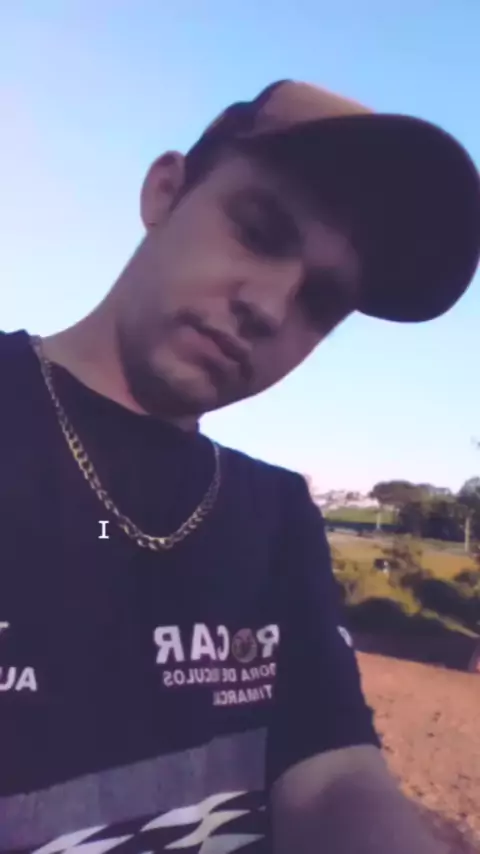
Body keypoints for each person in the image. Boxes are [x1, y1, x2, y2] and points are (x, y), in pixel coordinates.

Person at [0, 79, 479, 854]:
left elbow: (334, 775)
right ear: (164, 191)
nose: (271, 307)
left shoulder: (277, 513)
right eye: (258, 232)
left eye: (321, 302)